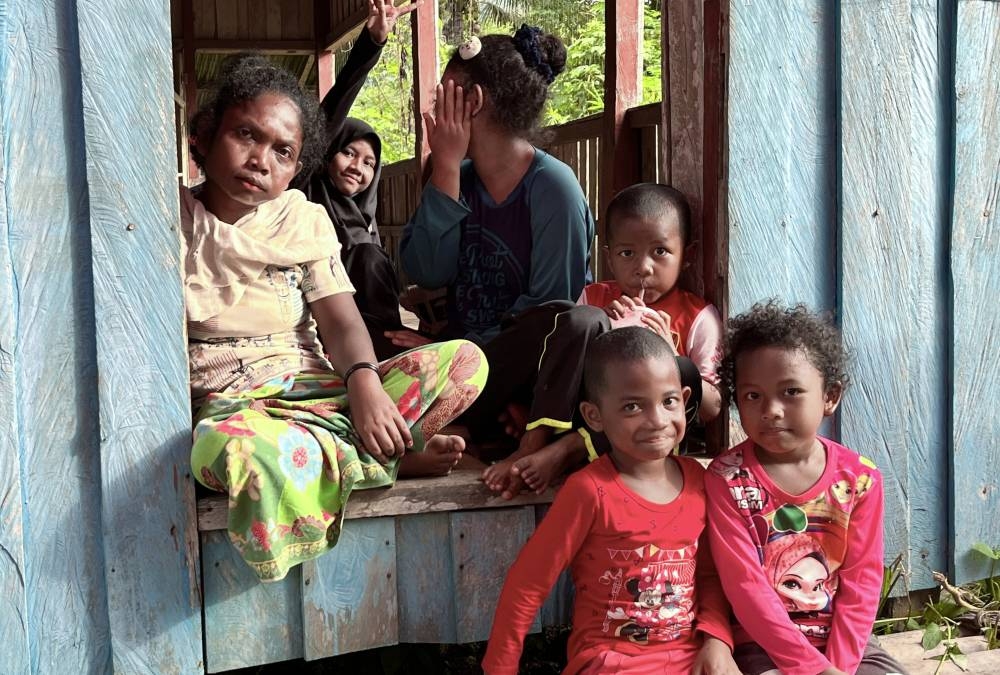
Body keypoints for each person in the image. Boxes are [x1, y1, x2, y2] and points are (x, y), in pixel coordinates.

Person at [183, 53, 488, 582]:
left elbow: (343, 322)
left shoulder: (302, 221)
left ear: (296, 168)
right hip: (238, 408)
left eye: (283, 151)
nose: (261, 159)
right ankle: (387, 459)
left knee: (465, 363)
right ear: (207, 136)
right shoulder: (171, 224)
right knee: (239, 457)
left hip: (321, 391)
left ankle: (354, 447)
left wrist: (365, 384)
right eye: (246, 135)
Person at [482, 328, 739, 675]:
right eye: (633, 406)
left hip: (689, 658)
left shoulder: (698, 481)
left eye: (669, 401)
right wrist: (500, 668)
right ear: (594, 417)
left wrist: (717, 641)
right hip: (611, 660)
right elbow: (527, 585)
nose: (658, 420)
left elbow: (709, 575)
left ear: (685, 397)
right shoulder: (590, 491)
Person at [392, 25, 595, 440]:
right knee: (379, 341)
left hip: (515, 363)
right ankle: (471, 422)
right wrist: (445, 169)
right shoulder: (457, 176)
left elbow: (548, 311)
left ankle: (466, 420)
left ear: (474, 101)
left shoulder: (555, 188)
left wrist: (455, 353)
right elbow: (426, 272)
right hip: (462, 357)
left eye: (442, 96)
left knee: (559, 321)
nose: (432, 110)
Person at [705, 302, 908, 675]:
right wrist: (811, 669)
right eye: (753, 396)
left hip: (848, 644)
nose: (772, 410)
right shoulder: (727, 479)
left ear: (830, 396)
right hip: (763, 644)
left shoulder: (859, 480)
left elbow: (861, 582)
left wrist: (838, 668)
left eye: (791, 391)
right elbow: (746, 587)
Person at [483, 183, 723, 498]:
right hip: (588, 411)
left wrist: (669, 356)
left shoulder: (697, 316)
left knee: (681, 370)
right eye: (627, 253)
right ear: (609, 258)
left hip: (644, 433)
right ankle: (534, 440)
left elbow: (711, 407)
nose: (643, 268)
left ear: (687, 255)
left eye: (660, 252)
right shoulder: (596, 297)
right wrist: (605, 327)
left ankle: (567, 450)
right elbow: (570, 375)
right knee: (579, 321)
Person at [299, 0, 419, 359]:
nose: (357, 167)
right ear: (327, 152)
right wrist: (371, 45)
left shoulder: (364, 222)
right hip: (321, 321)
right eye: (348, 153)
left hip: (369, 333)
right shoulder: (305, 189)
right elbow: (331, 112)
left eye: (369, 163)